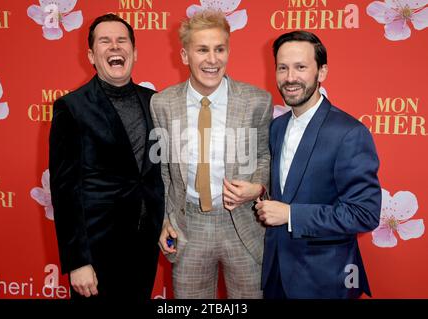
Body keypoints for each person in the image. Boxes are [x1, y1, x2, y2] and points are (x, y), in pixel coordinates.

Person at [150, 9, 272, 299]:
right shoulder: (163, 104)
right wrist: (166, 218)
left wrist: (258, 187)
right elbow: (163, 169)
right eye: (202, 50)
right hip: (188, 226)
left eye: (219, 49)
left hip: (242, 224)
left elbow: (264, 155)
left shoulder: (257, 101)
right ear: (184, 55)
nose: (212, 59)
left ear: (228, 51)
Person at [256, 30, 381, 299]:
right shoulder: (276, 127)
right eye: (283, 68)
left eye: (301, 67)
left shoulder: (349, 133)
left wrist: (291, 215)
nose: (290, 78)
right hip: (275, 276)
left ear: (321, 72)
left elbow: (364, 214)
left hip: (324, 281)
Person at [49, 13, 164, 302]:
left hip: (144, 247)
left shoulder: (156, 101)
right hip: (97, 252)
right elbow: (65, 190)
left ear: (134, 52)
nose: (115, 47)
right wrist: (77, 261)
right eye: (105, 41)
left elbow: (159, 174)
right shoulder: (71, 107)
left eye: (121, 40)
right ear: (91, 54)